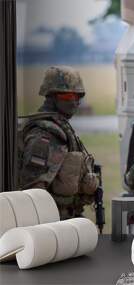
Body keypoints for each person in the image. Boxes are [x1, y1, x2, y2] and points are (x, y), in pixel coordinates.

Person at [18, 66, 99, 219]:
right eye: (68, 97)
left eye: (78, 97)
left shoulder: (62, 129)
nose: (75, 102)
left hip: (65, 217)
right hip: (51, 221)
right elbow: (33, 190)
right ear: (52, 97)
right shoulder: (45, 135)